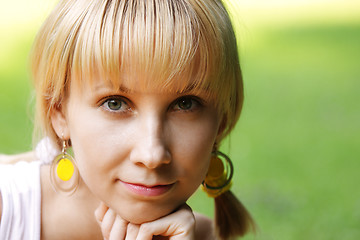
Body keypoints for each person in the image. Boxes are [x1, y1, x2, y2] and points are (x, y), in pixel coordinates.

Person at [0, 0, 256, 239]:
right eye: (115, 103)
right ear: (59, 113)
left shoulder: (197, 234)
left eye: (185, 104)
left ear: (221, 120)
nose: (152, 154)